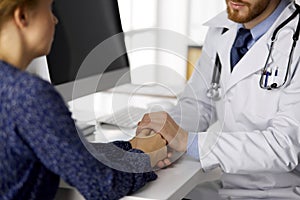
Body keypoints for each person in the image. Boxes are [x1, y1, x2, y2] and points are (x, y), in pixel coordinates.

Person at [0, 0, 167, 199]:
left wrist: (130, 146)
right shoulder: (29, 95)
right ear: (22, 17)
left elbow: (71, 153)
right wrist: (147, 157)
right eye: (50, 8)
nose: (55, 20)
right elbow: (102, 184)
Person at [137, 0, 300, 199]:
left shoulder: (295, 40)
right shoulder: (223, 29)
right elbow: (198, 103)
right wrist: (162, 133)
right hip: (228, 184)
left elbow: (285, 146)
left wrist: (189, 142)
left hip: (281, 192)